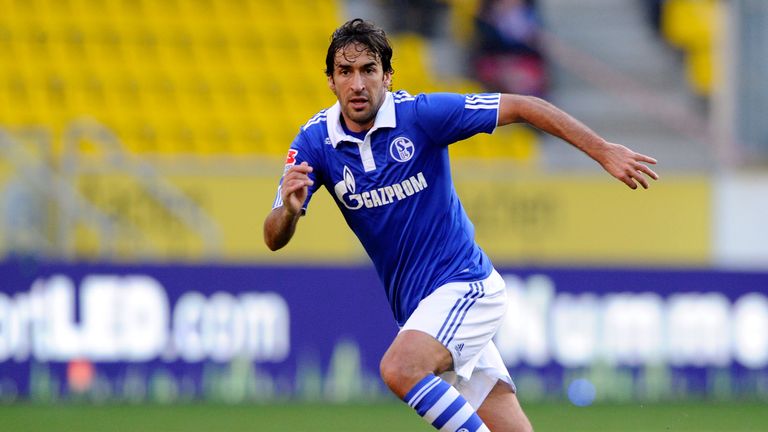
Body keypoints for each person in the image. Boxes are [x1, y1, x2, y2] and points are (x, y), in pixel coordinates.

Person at [264, 18, 658, 432]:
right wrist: (289, 212)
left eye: (369, 70)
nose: (357, 83)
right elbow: (273, 237)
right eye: (346, 72)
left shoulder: (422, 116)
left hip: (466, 287)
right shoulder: (313, 143)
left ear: (388, 76)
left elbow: (524, 106)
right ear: (330, 80)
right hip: (421, 312)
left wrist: (602, 150)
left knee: (400, 369)